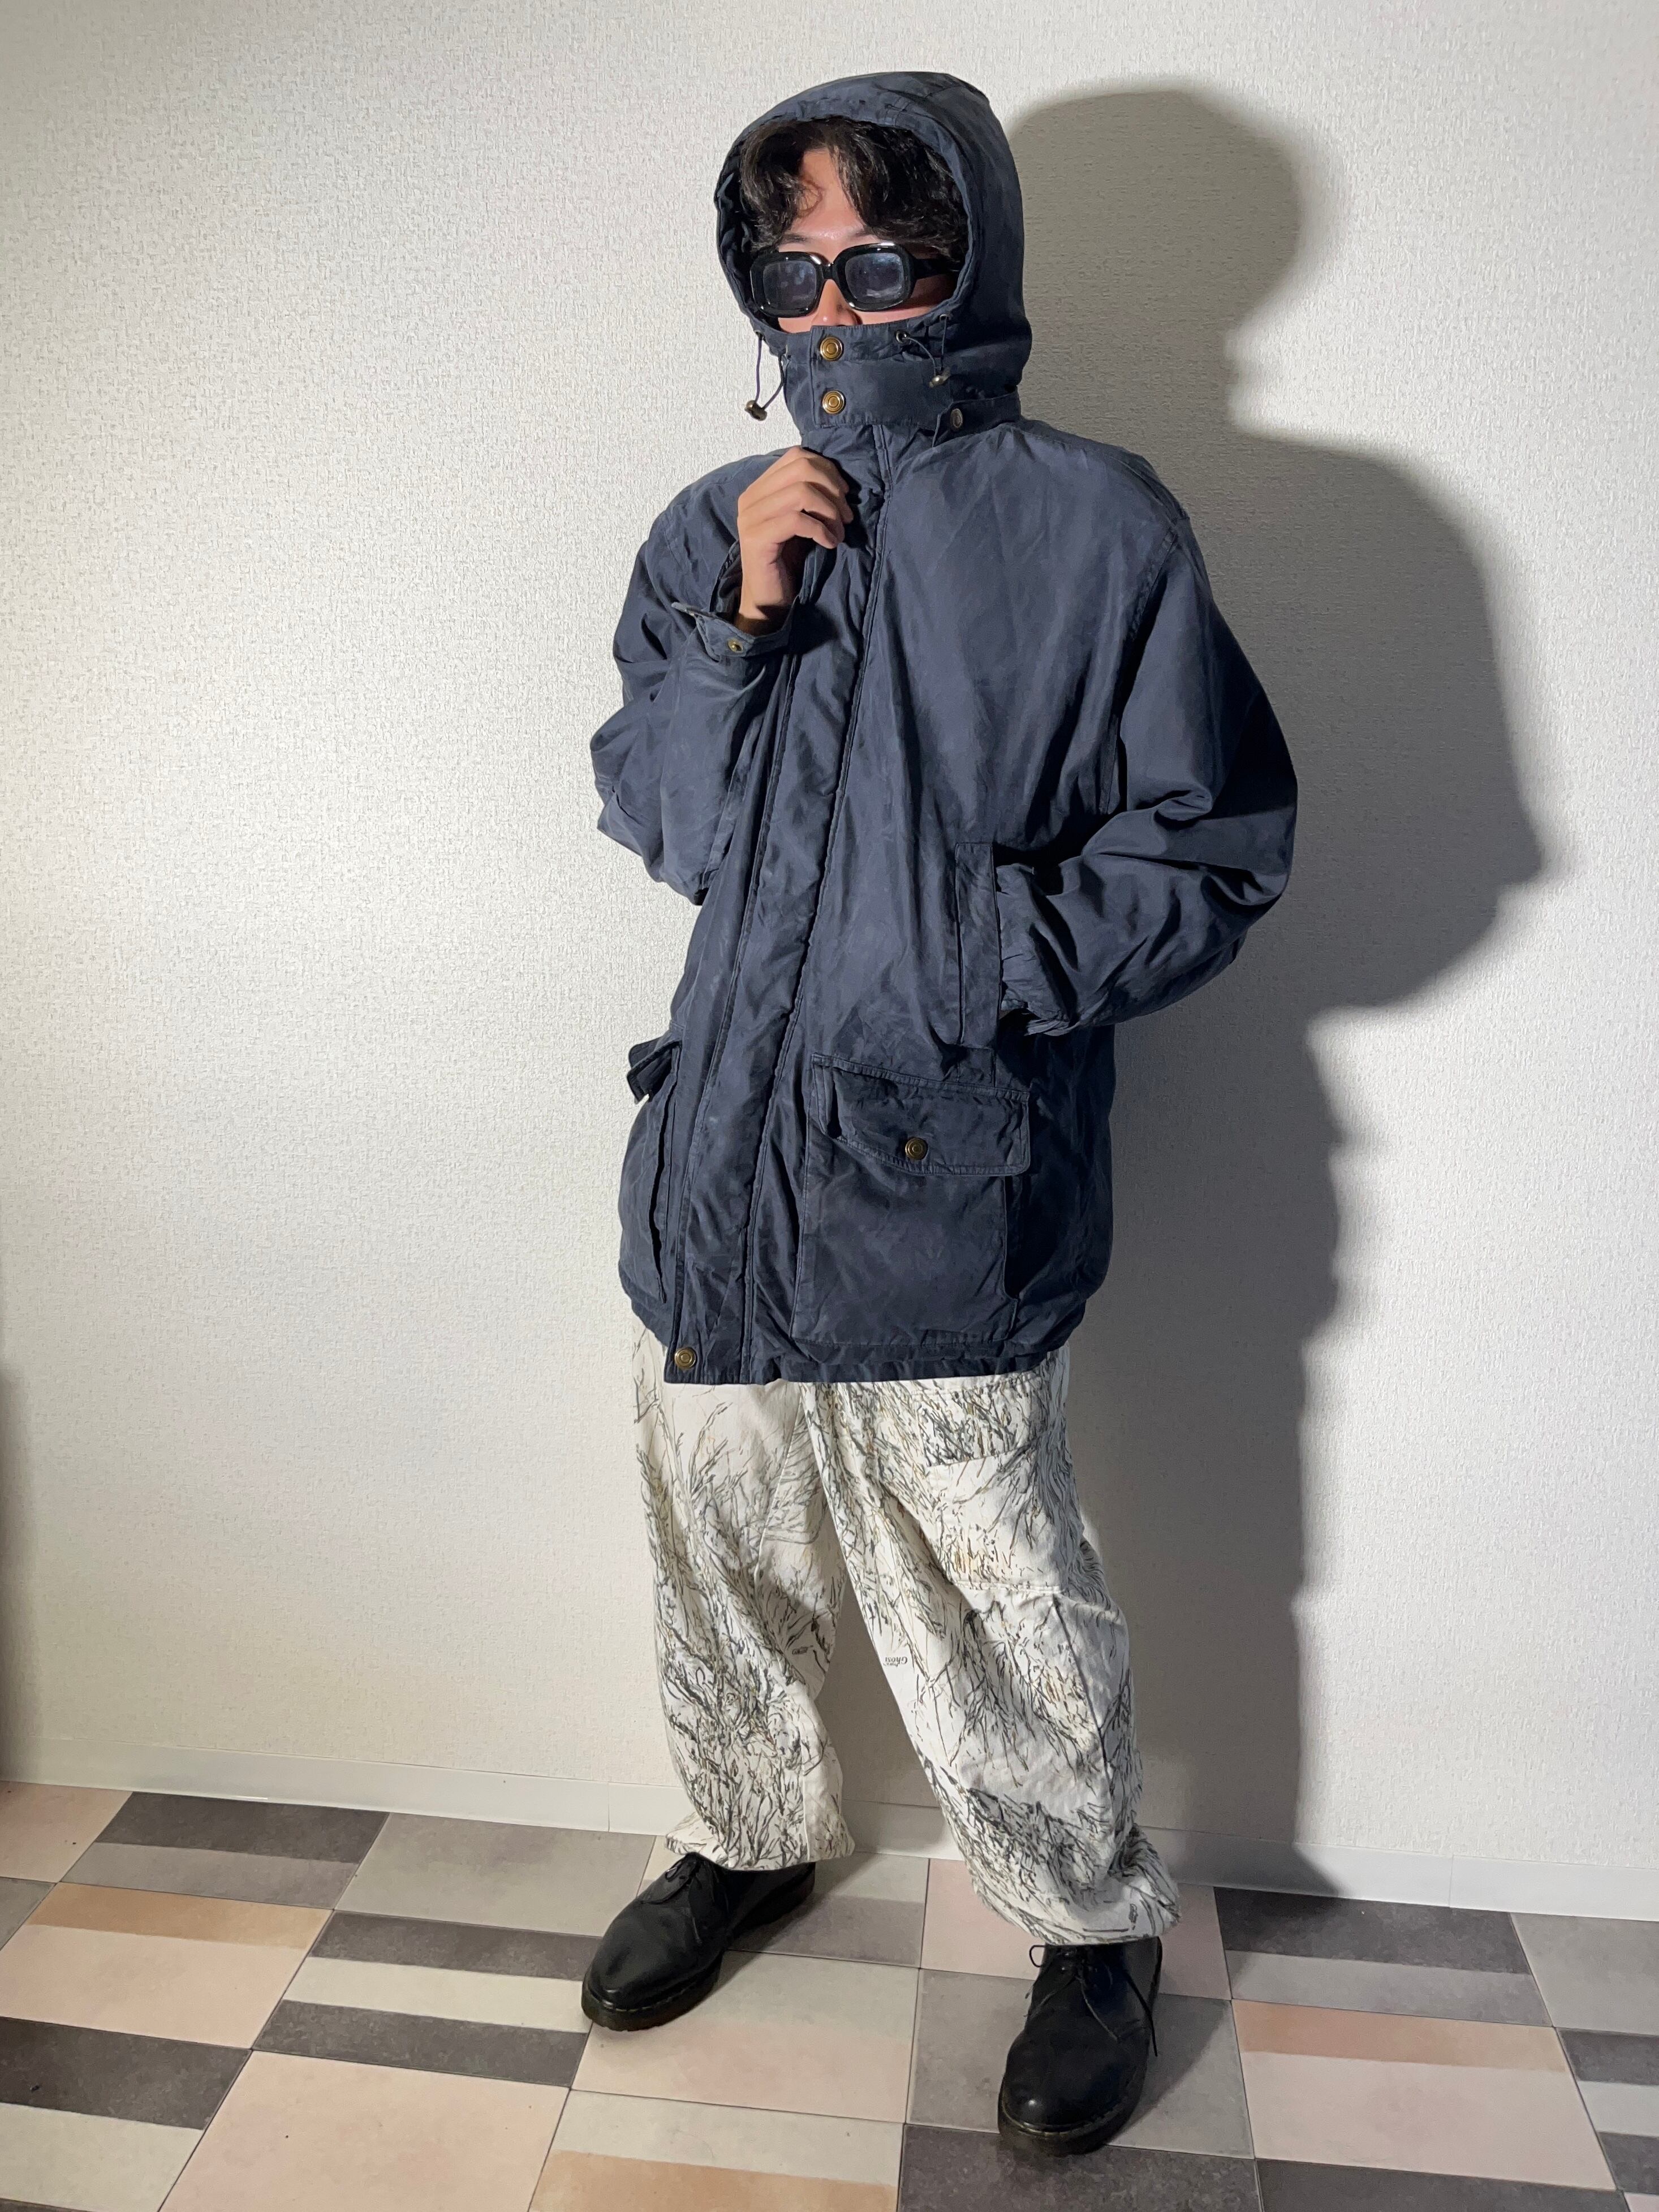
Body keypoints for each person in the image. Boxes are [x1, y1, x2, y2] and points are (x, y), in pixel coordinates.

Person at [582, 68, 1297, 2156]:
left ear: (967, 264)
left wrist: (966, 957)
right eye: (793, 267)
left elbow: (1210, 849)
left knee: (998, 1588)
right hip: (721, 1162)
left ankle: (1087, 1921)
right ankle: (744, 1837)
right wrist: (741, 620)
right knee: (720, 1543)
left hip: (944, 1166)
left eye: (881, 262)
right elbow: (669, 826)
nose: (833, 307)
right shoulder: (709, 529)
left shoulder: (1097, 526)